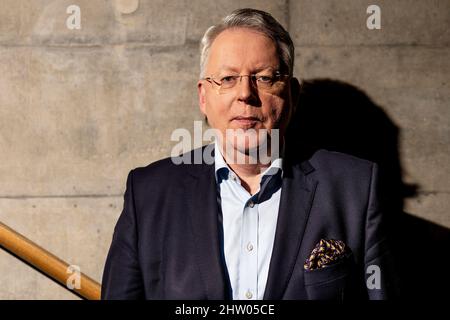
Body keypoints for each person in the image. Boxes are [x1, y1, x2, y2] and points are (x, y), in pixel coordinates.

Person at [101, 8, 397, 300]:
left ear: (291, 95)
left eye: (265, 78)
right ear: (203, 97)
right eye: (228, 79)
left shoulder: (355, 188)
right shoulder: (149, 193)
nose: (245, 93)